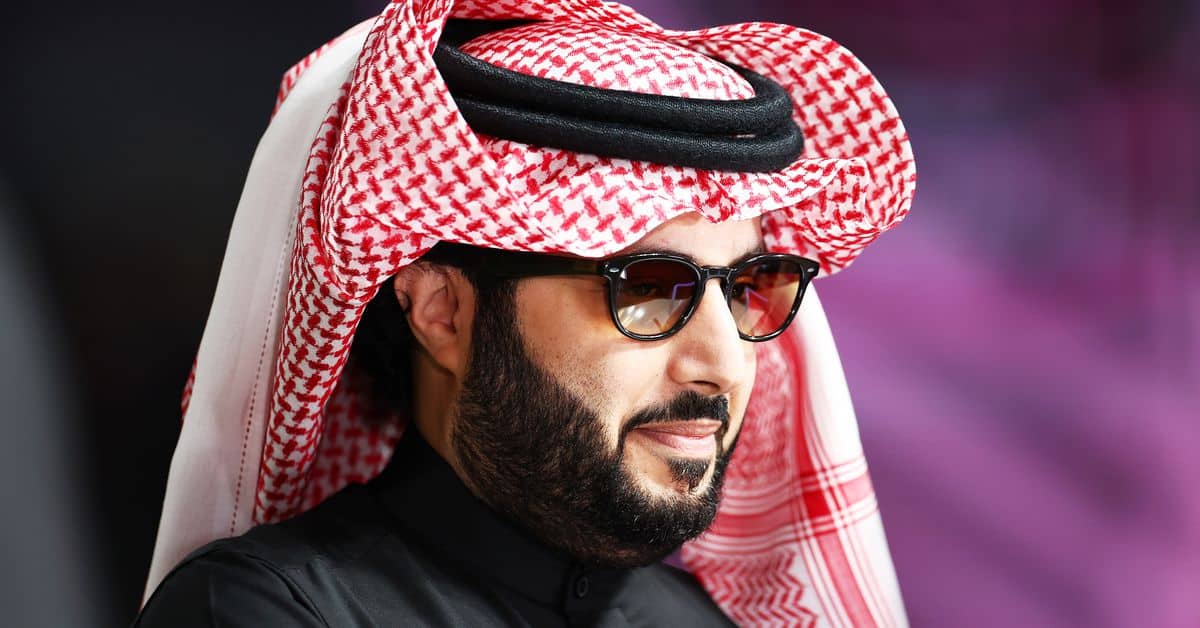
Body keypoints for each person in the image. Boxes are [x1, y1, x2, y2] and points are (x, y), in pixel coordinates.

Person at [136, 1, 916, 626]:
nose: (722, 362)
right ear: (442, 310)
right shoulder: (267, 611)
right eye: (648, 288)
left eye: (747, 286)